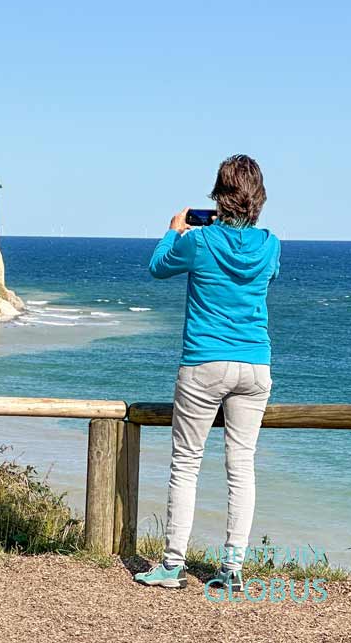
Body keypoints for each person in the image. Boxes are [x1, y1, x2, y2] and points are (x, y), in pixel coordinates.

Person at [134, 155, 281, 592]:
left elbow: (158, 267)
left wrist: (175, 229)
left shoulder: (200, 242)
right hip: (255, 365)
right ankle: (231, 569)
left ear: (219, 196)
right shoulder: (271, 243)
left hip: (204, 363)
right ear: (257, 200)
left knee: (186, 463)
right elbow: (266, 275)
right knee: (241, 467)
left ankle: (172, 566)